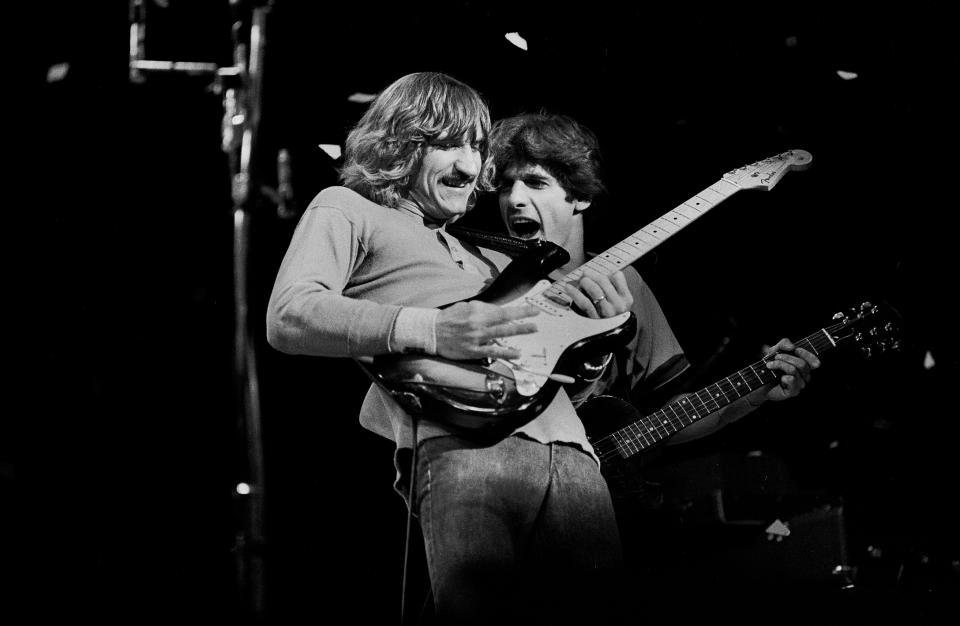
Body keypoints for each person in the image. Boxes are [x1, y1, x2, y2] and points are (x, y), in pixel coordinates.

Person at [265, 74, 818, 625]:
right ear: (399, 144)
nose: (469, 167)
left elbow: (570, 374)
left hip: (579, 461)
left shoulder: (495, 258)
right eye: (447, 144)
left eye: (475, 149)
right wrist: (434, 329)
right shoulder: (346, 208)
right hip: (467, 452)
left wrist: (595, 341)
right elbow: (290, 315)